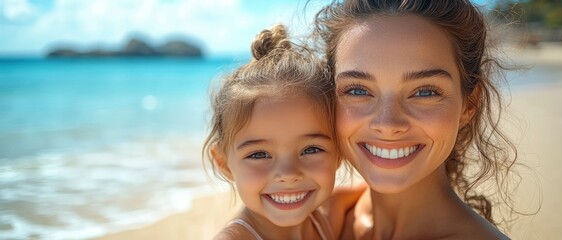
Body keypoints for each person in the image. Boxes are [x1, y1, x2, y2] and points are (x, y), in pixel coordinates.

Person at [312, 0, 518, 239]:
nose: (388, 124)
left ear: (469, 105)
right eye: (358, 90)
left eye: (425, 92)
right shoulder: (314, 221)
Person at [203, 24, 363, 240]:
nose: (288, 174)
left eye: (311, 149)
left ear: (339, 152)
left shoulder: (326, 216)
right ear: (223, 163)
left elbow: (369, 191)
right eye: (258, 154)